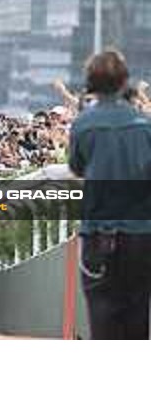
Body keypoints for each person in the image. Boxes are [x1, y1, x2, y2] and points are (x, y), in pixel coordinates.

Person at [69, 49, 151, 339]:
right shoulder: (145, 126)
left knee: (102, 319)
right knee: (138, 316)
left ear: (90, 83)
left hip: (99, 235)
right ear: (124, 82)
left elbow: (76, 167)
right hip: (141, 236)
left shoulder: (82, 125)